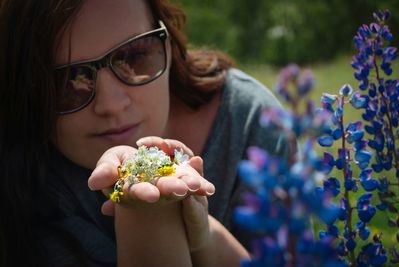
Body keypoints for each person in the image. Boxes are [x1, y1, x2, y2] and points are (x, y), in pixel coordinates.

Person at [0, 0, 290, 266]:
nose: (111, 105)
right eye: (67, 80)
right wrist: (147, 219)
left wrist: (203, 235)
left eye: (134, 56)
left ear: (168, 42)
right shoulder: (28, 180)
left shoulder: (251, 120)